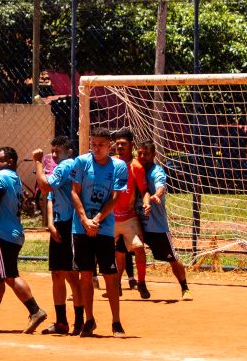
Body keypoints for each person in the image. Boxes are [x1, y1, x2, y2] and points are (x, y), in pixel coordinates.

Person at [0, 146, 48, 334]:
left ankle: (35, 311)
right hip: (10, 233)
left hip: (2, 234)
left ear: (10, 162)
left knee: (9, 276)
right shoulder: (15, 179)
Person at [70, 127, 128, 338]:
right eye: (93, 144)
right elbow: (74, 192)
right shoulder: (81, 162)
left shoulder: (119, 166)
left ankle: (116, 322)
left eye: (101, 145)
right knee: (85, 274)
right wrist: (85, 220)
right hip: (81, 227)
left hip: (104, 227)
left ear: (109, 145)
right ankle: (89, 319)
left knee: (110, 275)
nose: (96, 149)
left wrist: (97, 220)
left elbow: (115, 198)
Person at [32, 136, 80, 335]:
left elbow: (45, 186)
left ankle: (80, 321)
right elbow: (50, 197)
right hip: (60, 223)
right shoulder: (59, 169)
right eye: (52, 151)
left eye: (57, 150)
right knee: (58, 274)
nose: (53, 154)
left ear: (69, 151)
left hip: (70, 223)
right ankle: (62, 322)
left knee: (71, 274)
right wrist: (51, 224)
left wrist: (38, 160)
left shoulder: (67, 165)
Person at [135, 140, 191, 298]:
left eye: (146, 154)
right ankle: (131, 282)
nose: (142, 156)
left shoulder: (156, 171)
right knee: (120, 250)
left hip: (156, 227)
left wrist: (156, 196)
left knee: (172, 258)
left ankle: (184, 287)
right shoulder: (134, 169)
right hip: (137, 223)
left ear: (154, 155)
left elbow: (161, 186)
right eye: (140, 153)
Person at [111, 128, 151, 299]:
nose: (119, 146)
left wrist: (147, 203)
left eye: (123, 143)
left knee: (139, 248)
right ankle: (109, 284)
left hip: (129, 218)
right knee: (104, 253)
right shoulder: (109, 162)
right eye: (117, 143)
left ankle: (141, 283)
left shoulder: (136, 167)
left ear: (131, 145)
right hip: (110, 217)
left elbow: (144, 191)